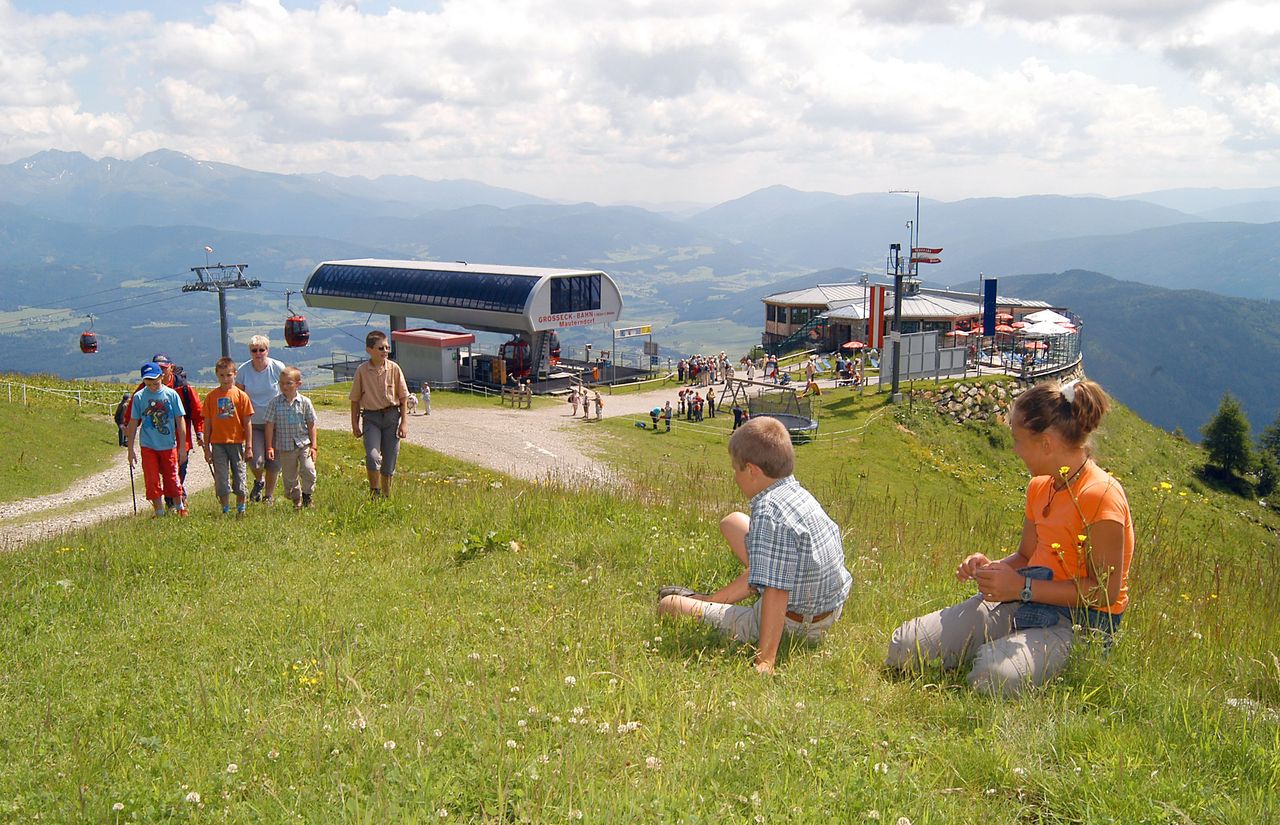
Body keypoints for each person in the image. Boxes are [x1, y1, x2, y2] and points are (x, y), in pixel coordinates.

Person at [884, 379, 1133, 698]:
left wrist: (1022, 587)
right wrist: (991, 568)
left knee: (992, 676)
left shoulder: (1101, 496)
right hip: (1025, 601)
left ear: (1046, 444)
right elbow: (1026, 557)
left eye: (1018, 440)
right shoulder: (1041, 487)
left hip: (1082, 625)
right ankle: (1000, 647)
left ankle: (1001, 652)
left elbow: (1104, 592)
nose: (1014, 449)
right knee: (905, 647)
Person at [657, 416, 852, 674]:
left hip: (796, 623)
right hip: (827, 609)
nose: (734, 476)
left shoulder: (768, 513)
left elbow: (776, 591)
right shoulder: (795, 492)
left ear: (751, 470)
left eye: (735, 469)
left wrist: (765, 660)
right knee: (733, 522)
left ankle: (706, 604)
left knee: (669, 606)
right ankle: (713, 600)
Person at [350, 330, 410, 498]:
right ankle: (374, 491)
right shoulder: (362, 370)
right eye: (381, 348)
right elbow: (355, 399)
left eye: (387, 347)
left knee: (390, 458)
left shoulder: (394, 369)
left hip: (391, 416)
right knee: (373, 456)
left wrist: (404, 423)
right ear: (369, 350)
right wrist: (354, 423)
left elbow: (404, 398)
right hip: (371, 418)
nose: (385, 351)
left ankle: (387, 494)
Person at [125, 362, 188, 517]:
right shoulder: (139, 397)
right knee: (151, 479)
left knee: (172, 478)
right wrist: (130, 449)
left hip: (168, 445)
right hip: (148, 446)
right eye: (149, 382)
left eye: (156, 381)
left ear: (161, 377)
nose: (153, 385)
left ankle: (180, 507)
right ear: (143, 381)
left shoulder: (171, 395)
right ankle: (159, 512)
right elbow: (133, 422)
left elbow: (180, 420)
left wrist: (182, 447)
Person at [202, 356, 255, 516]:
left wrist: (249, 447)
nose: (225, 379)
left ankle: (241, 508)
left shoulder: (241, 396)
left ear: (235, 374)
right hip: (218, 443)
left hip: (237, 442)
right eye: (222, 375)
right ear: (217, 375)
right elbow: (208, 424)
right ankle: (225, 508)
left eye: (229, 375)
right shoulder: (211, 397)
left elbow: (247, 423)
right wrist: (206, 448)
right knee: (221, 477)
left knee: (239, 475)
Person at [237, 335, 286, 504]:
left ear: (267, 350)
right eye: (254, 350)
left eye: (261, 350)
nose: (258, 353)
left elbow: (287, 389)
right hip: (254, 423)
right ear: (250, 352)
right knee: (256, 461)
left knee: (274, 462)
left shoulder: (278, 367)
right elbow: (238, 397)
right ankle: (259, 480)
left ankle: (269, 496)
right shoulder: (243, 371)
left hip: (276, 423)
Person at [265, 367, 318, 510]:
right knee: (289, 477)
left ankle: (307, 495)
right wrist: (269, 446)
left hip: (303, 444)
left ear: (298, 384)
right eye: (281, 383)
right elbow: (269, 425)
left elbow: (311, 424)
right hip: (285, 445)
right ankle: (296, 500)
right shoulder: (275, 403)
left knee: (309, 469)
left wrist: (314, 446)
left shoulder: (305, 402)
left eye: (288, 383)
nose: (284, 387)